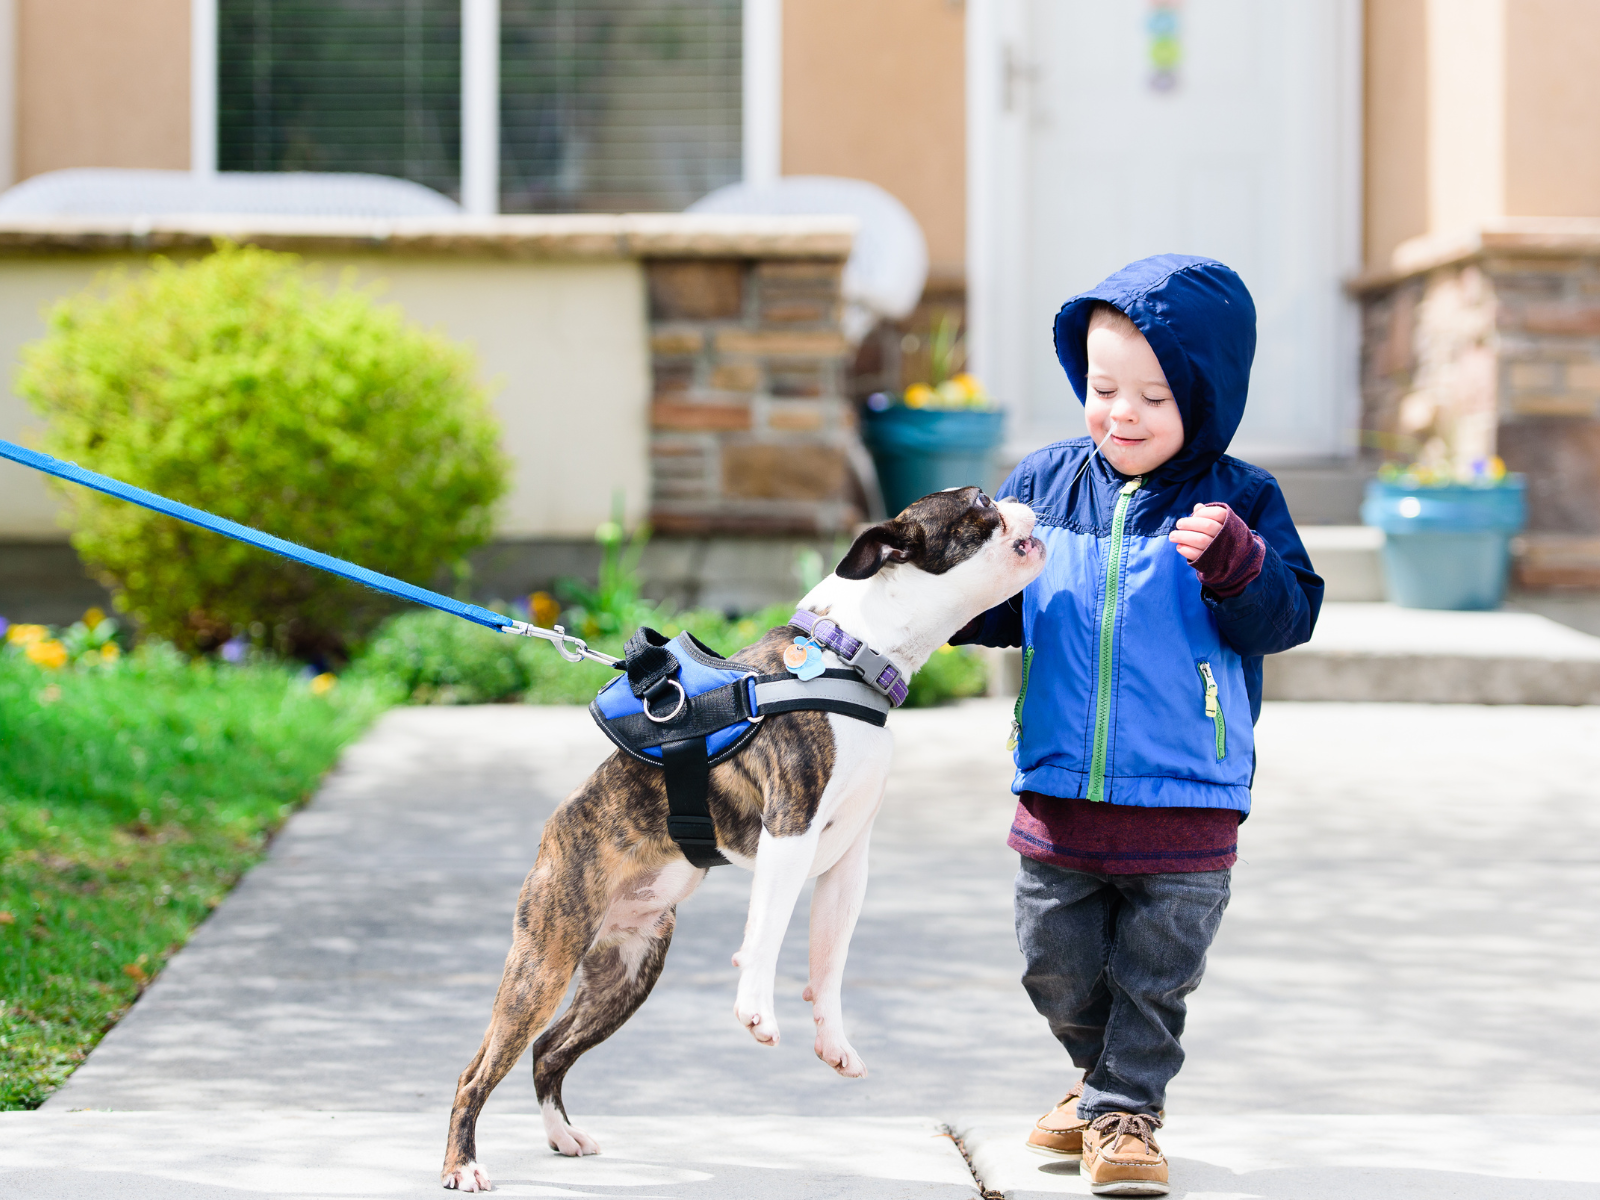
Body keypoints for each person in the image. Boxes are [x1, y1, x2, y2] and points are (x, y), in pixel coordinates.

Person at [952, 255, 1322, 1196]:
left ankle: (1127, 1110)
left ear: (1207, 397)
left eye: (1154, 396)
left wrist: (1241, 566)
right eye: (1103, 387)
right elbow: (1000, 607)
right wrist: (948, 593)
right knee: (1053, 967)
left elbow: (1287, 618)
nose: (1121, 412)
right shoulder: (1045, 481)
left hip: (1186, 801)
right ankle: (1097, 1085)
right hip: (1060, 792)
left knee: (1155, 979)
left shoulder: (1239, 501)